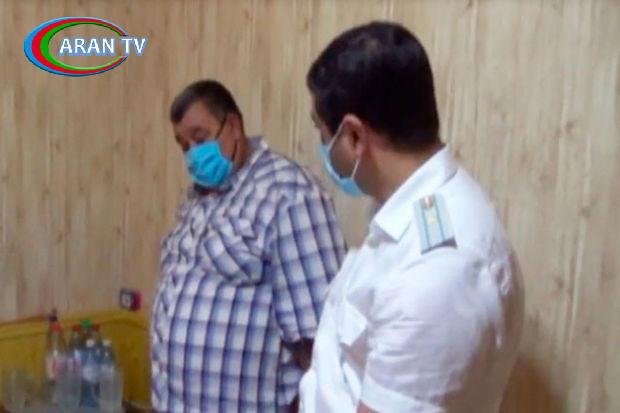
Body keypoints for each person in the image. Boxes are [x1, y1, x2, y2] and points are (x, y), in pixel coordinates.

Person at [299, 21, 524, 413]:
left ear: (354, 136)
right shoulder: (413, 210)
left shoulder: (438, 272)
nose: (323, 146)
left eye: (322, 131)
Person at [151, 80, 346, 412]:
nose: (193, 155)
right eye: (184, 146)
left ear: (234, 126)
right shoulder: (198, 198)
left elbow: (320, 344)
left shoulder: (288, 193)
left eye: (200, 138)